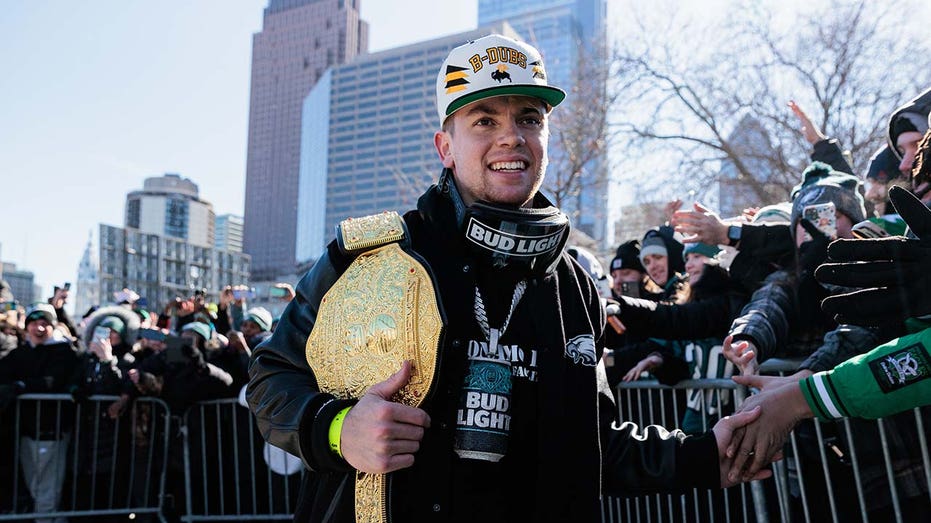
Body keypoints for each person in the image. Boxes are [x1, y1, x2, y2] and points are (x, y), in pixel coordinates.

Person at [247, 34, 767, 523]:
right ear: (445, 147)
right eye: (484, 120)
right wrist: (339, 431)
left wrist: (704, 454)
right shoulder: (370, 257)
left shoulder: (575, 286)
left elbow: (594, 444)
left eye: (529, 118)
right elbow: (271, 379)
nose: (511, 137)